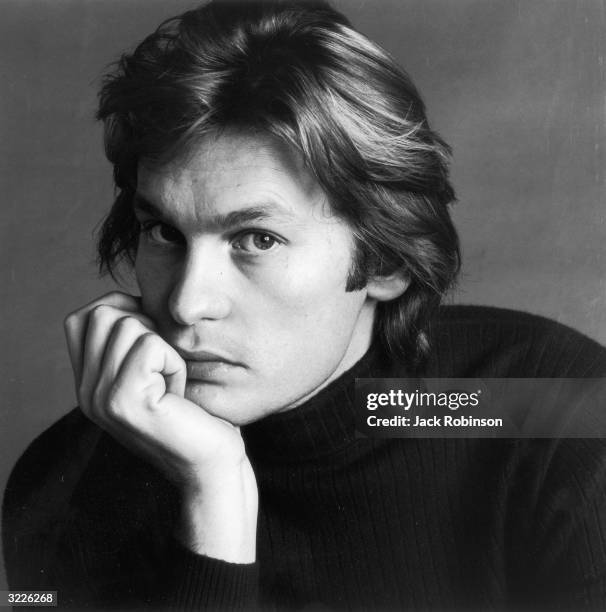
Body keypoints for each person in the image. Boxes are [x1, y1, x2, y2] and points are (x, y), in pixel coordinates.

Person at [3, 1, 606, 610]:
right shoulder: (62, 486)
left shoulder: (561, 414)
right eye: (164, 233)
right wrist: (212, 496)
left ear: (385, 261)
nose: (188, 303)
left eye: (256, 239)